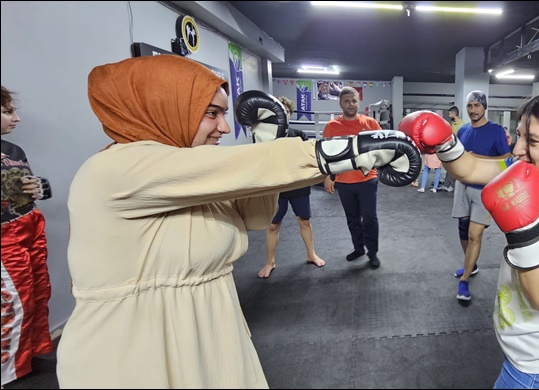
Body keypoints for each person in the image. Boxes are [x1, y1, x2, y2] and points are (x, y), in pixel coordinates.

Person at [55, 54, 420, 388]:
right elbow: (249, 170)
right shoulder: (115, 170)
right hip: (135, 352)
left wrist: (266, 142)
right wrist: (355, 150)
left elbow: (255, 216)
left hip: (211, 335)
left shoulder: (188, 176)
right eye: (211, 113)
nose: (225, 128)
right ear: (163, 105)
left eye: (224, 114)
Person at [400, 87, 539, 389]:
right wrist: (443, 141)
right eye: (519, 135)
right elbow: (469, 168)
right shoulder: (526, 170)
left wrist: (523, 229)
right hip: (525, 358)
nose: (519, 148)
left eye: (532, 140)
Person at [1, 86, 53, 387]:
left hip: (29, 225)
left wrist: (41, 188)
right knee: (12, 303)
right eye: (8, 111)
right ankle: (10, 374)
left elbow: (27, 189)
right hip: (5, 236)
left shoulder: (14, 151)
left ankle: (29, 356)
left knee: (36, 292)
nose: (16, 118)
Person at [452, 91, 511, 301]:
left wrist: (477, 158)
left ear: (484, 107)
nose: (473, 110)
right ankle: (471, 264)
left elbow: (507, 158)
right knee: (462, 229)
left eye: (477, 105)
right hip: (462, 186)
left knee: (474, 234)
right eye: (469, 105)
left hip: (484, 188)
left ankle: (465, 280)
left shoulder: (496, 131)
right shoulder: (463, 131)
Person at [258, 96, 325, 278]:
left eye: (285, 112)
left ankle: (311, 255)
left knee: (304, 221)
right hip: (276, 188)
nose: (282, 116)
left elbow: (309, 157)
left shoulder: (298, 135)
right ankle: (270, 262)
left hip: (297, 186)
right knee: (273, 225)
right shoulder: (265, 138)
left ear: (289, 114)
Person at [323, 86, 384, 269]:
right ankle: (358, 248)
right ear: (340, 103)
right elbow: (326, 154)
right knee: (352, 218)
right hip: (344, 181)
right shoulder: (332, 126)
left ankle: (372, 253)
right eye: (347, 101)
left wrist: (381, 165)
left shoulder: (371, 123)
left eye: (354, 100)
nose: (351, 104)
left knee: (370, 217)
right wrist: (328, 176)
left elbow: (382, 147)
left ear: (359, 102)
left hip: (367, 179)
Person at [439, 106, 465, 192]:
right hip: (451, 149)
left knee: (454, 169)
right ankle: (447, 185)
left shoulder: (462, 125)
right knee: (449, 168)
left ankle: (451, 185)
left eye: (450, 114)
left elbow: (461, 139)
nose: (449, 115)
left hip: (458, 150)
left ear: (454, 114)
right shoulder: (452, 123)